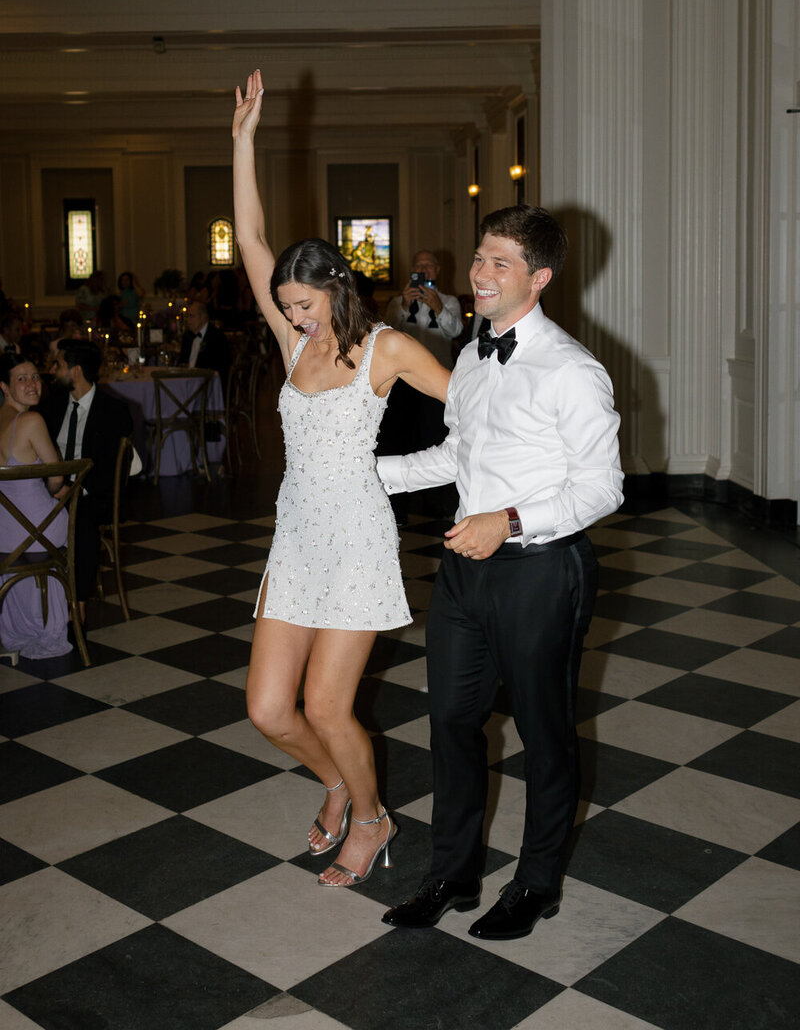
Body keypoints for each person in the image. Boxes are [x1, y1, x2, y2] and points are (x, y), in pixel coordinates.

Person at [378, 205, 624, 940]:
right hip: (463, 570)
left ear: (539, 278)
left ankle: (536, 883)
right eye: (479, 259)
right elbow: (456, 456)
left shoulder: (573, 370)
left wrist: (509, 521)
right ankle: (452, 874)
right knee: (451, 722)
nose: (479, 275)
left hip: (542, 571)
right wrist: (369, 475)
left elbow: (602, 487)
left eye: (499, 264)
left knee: (546, 734)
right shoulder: (475, 355)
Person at [232, 68, 450, 888]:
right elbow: (252, 239)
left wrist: (408, 473)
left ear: (335, 285)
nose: (293, 316)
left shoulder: (385, 348)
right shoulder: (294, 349)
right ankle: (334, 784)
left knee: (327, 706)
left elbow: (468, 406)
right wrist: (244, 140)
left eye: (303, 304)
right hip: (296, 542)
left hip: (358, 539)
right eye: (285, 306)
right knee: (267, 709)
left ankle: (371, 817)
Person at [40, 339, 133, 614]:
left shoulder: (113, 411)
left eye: (58, 365)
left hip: (92, 493)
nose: (52, 370)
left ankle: (75, 608)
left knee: (80, 519)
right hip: (50, 490)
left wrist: (74, 489)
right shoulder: (51, 406)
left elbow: (110, 468)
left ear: (76, 371)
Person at [380, 251, 463, 521]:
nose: (423, 270)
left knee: (434, 436)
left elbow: (455, 331)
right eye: (418, 265)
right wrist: (404, 304)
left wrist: (438, 306)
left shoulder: (449, 301)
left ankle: (435, 504)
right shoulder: (397, 302)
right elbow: (387, 331)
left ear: (437, 271)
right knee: (400, 437)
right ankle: (398, 506)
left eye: (428, 265)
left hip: (436, 379)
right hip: (402, 380)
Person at [0, 353, 71, 659]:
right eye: (21, 378)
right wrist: (61, 488)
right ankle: (70, 610)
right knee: (73, 505)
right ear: (4, 386)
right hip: (35, 533)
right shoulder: (31, 420)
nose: (32, 384)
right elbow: (56, 478)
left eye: (35, 377)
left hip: (3, 534)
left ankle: (21, 620)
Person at [176, 300, 232, 392]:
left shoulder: (217, 337)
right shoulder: (187, 337)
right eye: (187, 316)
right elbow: (182, 361)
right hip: (187, 383)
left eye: (191, 316)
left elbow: (220, 368)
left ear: (203, 317)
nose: (188, 320)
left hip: (209, 386)